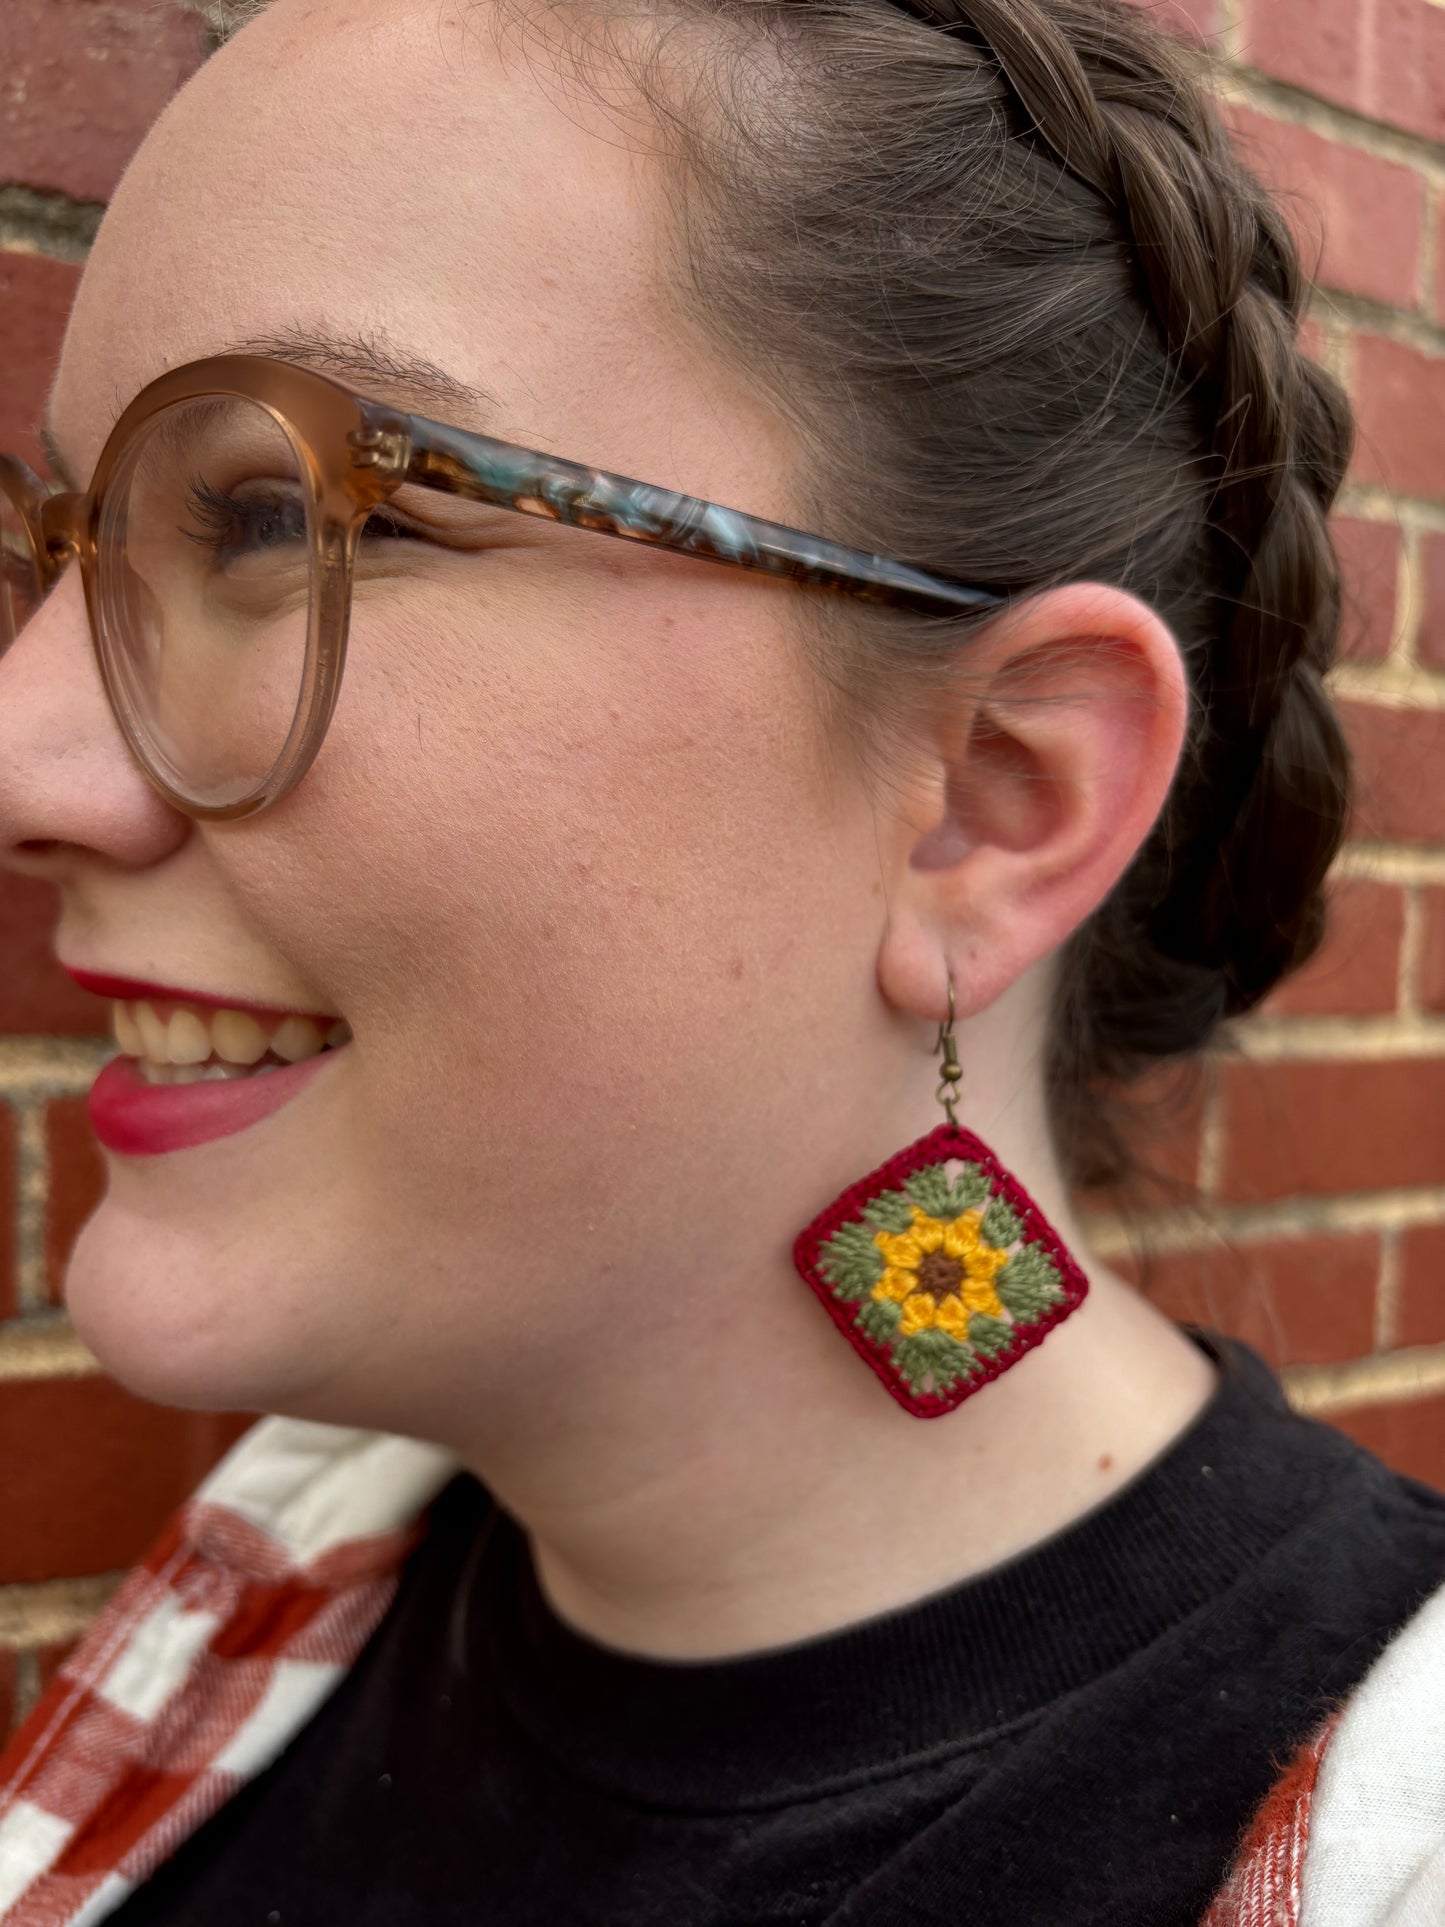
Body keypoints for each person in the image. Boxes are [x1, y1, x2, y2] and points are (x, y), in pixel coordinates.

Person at [2, 0, 1444, 1920]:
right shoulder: (228, 1634)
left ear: (988, 800)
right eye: (61, 550)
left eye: (279, 515)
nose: (29, 753)